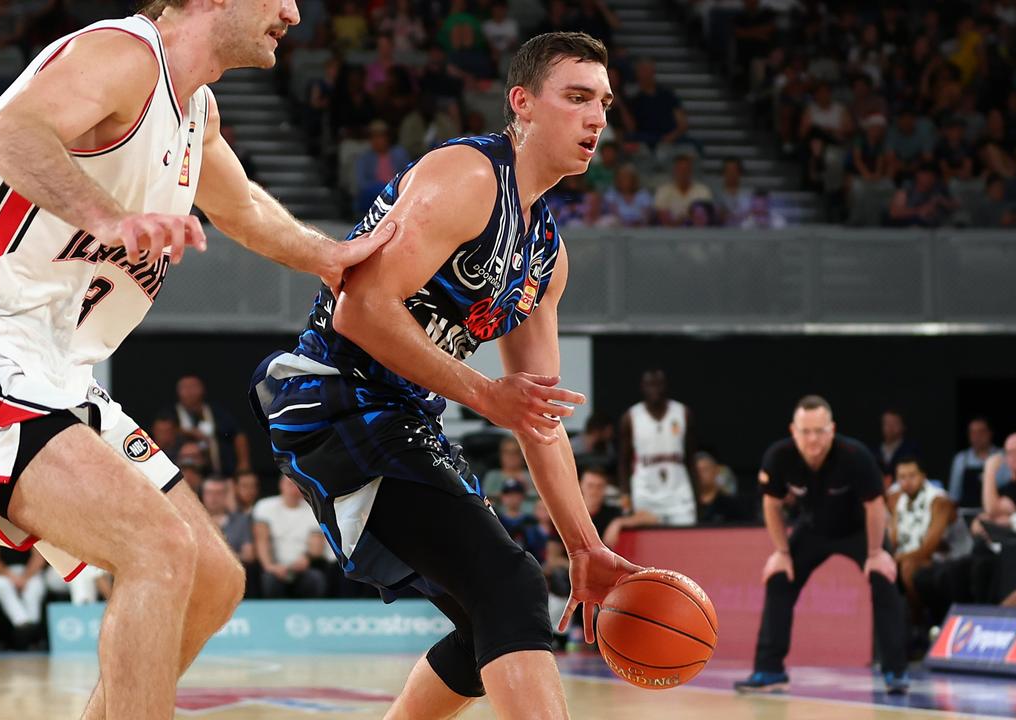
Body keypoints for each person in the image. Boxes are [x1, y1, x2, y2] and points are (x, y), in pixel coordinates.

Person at [0, 2, 393, 716]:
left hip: (56, 374)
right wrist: (110, 220)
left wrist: (333, 258)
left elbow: (242, 207)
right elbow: (13, 135)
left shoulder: (193, 112)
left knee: (213, 577)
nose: (292, 11)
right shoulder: (124, 55)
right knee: (157, 550)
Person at [249, 32, 640, 717]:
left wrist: (586, 545)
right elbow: (360, 309)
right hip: (337, 390)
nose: (596, 117)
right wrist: (487, 394)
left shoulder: (546, 255)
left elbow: (536, 417)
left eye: (603, 103)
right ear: (522, 104)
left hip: (403, 414)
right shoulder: (467, 175)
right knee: (511, 588)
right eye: (577, 97)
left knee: (487, 620)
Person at [735, 396, 909, 694]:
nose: (813, 439)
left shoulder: (855, 455)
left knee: (884, 578)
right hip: (814, 528)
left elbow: (875, 506)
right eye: (806, 431)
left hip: (859, 530)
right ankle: (769, 670)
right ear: (793, 430)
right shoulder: (779, 456)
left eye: (819, 431)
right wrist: (782, 552)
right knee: (779, 577)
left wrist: (876, 552)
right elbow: (771, 505)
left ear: (832, 429)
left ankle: (894, 670)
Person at [618, 369, 697, 527]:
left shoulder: (683, 413)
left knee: (685, 544)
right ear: (642, 387)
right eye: (650, 385)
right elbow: (624, 461)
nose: (655, 389)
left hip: (679, 495)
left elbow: (690, 458)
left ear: (666, 386)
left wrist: (696, 493)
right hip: (645, 495)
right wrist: (626, 496)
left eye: (659, 385)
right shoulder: (631, 417)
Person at [887, 456, 956, 622]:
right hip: (910, 556)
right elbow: (894, 539)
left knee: (908, 567)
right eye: (902, 477)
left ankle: (919, 623)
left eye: (912, 476)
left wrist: (895, 558)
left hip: (948, 558)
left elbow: (928, 549)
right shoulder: (896, 499)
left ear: (923, 476)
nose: (907, 482)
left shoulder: (940, 501)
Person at [252, 475, 326, 599]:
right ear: (281, 486)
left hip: (303, 566)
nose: (294, 490)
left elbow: (316, 543)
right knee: (269, 580)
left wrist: (306, 559)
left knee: (315, 579)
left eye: (298, 486)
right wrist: (270, 566)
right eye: (290, 485)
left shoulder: (314, 509)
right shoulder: (264, 506)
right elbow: (262, 540)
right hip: (275, 566)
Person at [161, 374, 249, 475]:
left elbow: (238, 434)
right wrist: (189, 432)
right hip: (180, 473)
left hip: (217, 472)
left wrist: (244, 463)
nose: (189, 392)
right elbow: (162, 434)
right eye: (184, 388)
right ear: (178, 391)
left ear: (202, 389)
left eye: (193, 387)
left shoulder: (216, 412)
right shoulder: (170, 413)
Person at [0, 542, 49, 648]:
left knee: (34, 587)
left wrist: (25, 577)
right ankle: (22, 624)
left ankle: (32, 627)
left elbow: (39, 557)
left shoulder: (32, 528)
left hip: (28, 572)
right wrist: (11, 577)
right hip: (2, 573)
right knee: (2, 586)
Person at [948, 417, 999, 509]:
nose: (977, 436)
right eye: (973, 432)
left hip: (996, 513)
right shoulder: (961, 459)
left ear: (990, 433)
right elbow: (954, 495)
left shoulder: (1001, 456)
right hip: (967, 512)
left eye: (981, 432)